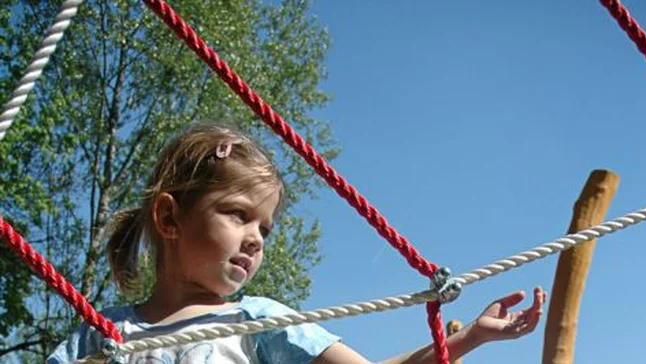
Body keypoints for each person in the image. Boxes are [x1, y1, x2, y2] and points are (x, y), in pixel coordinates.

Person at [47, 123, 547, 364]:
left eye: (264, 229)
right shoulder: (102, 332)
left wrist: (470, 338)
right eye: (238, 215)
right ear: (169, 218)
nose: (253, 240)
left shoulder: (257, 321)